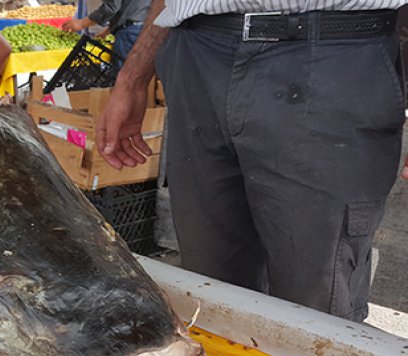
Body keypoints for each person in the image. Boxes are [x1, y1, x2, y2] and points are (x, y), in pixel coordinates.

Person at [96, 0, 408, 323]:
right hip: (197, 51)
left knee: (317, 316)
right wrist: (132, 77)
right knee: (211, 303)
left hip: (334, 54)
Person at [62, 0, 151, 63]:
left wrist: (81, 23)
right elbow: (128, 6)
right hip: (145, 28)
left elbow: (111, 8)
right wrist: (108, 30)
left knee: (124, 79)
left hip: (129, 34)